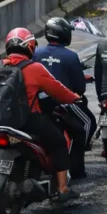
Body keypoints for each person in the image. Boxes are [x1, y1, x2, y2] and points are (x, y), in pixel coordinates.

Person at [2, 28, 81, 201]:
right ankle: (63, 188)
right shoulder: (35, 68)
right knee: (59, 142)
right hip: (27, 121)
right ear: (30, 46)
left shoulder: (1, 65)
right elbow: (58, 90)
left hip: (3, 121)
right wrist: (74, 97)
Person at [34, 17, 96, 179]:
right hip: (64, 103)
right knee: (88, 123)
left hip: (40, 104)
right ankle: (77, 165)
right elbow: (79, 88)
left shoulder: (36, 53)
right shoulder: (71, 56)